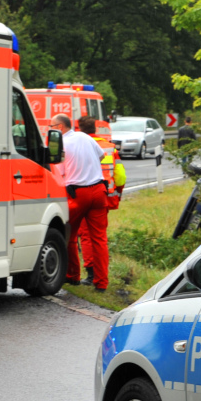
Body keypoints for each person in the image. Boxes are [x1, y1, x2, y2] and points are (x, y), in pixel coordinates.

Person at [50, 113, 110, 292]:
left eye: (51, 127)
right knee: (99, 239)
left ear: (60, 127)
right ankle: (101, 283)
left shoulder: (61, 144)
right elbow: (101, 156)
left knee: (69, 235)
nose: (50, 130)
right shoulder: (85, 137)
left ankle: (73, 275)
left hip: (77, 194)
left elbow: (58, 173)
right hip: (99, 191)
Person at [77, 115, 125, 285]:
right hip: (104, 195)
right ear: (95, 128)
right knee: (99, 237)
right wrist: (117, 194)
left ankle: (90, 274)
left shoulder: (78, 145)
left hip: (83, 193)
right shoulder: (110, 148)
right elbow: (121, 176)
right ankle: (101, 278)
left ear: (79, 129)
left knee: (85, 235)